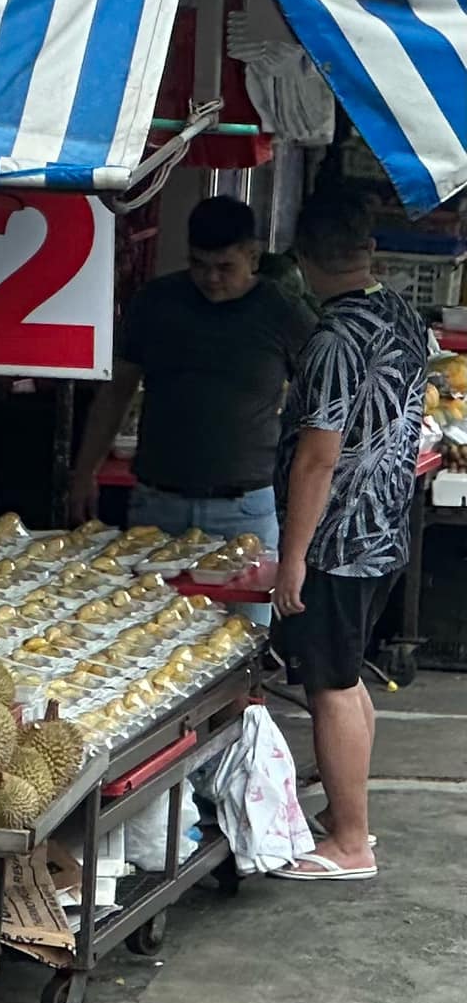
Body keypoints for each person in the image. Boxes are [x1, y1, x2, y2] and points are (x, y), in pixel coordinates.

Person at [271, 192, 425, 882]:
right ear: (369, 251)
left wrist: (293, 558)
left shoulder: (333, 339)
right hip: (389, 525)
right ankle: (348, 816)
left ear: (302, 261)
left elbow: (317, 456)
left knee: (329, 685)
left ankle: (351, 842)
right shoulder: (399, 311)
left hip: (339, 538)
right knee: (349, 675)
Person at [69, 195, 314, 552]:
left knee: (241, 610)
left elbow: (322, 403)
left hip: (245, 509)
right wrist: (85, 471)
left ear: (253, 257)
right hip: (158, 504)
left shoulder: (284, 313)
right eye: (199, 265)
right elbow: (115, 393)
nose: (211, 278)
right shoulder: (156, 302)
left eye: (225, 267)